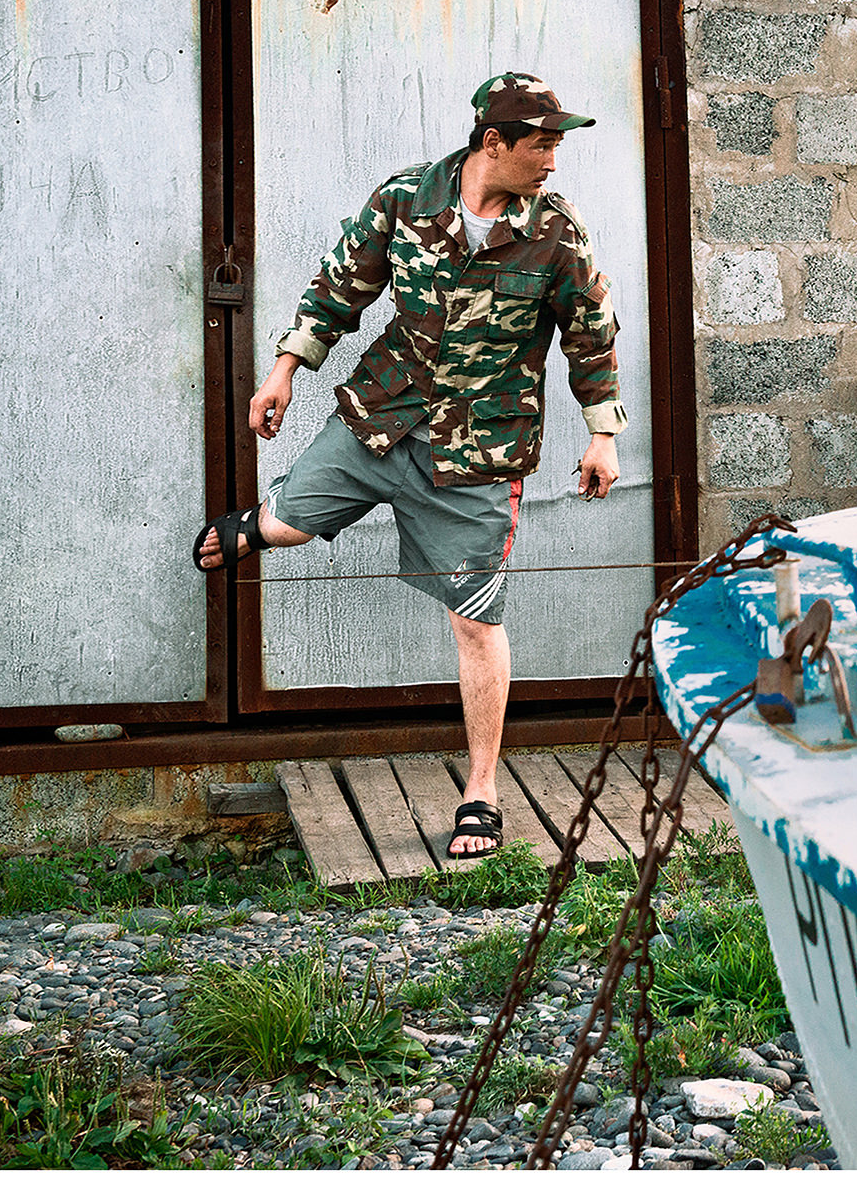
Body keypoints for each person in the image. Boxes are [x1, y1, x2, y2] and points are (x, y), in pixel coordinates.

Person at [195, 71, 627, 859]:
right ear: (492, 142)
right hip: (382, 416)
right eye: (542, 143)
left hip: (479, 451)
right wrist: (286, 369)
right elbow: (340, 288)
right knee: (289, 523)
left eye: (559, 143)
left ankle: (482, 788)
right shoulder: (405, 200)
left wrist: (603, 434)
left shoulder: (556, 230)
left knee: (475, 622)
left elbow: (590, 330)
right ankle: (253, 526)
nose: (554, 159)